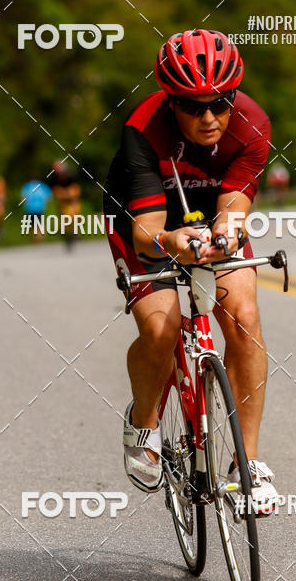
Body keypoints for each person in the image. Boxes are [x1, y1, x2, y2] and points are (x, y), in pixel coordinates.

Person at [103, 28, 278, 515]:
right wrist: (170, 243)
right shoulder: (143, 128)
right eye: (192, 106)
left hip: (209, 209)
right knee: (160, 330)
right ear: (170, 101)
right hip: (145, 216)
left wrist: (224, 234)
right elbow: (146, 232)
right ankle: (142, 423)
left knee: (243, 314)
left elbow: (234, 206)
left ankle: (249, 466)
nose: (208, 117)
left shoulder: (254, 124)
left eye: (220, 103)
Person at [48, 160, 81, 249]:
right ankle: (66, 233)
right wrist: (62, 194)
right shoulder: (53, 178)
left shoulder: (71, 175)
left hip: (72, 198)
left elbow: (76, 190)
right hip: (61, 200)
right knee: (64, 217)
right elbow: (55, 192)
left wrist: (69, 195)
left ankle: (75, 230)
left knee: (74, 214)